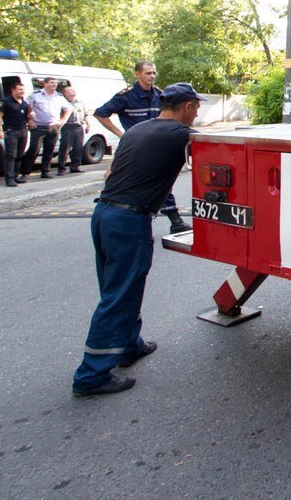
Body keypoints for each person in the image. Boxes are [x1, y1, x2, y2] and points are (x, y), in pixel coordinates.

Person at [71, 82, 204, 397]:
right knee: (119, 295)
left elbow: (109, 174)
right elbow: (222, 148)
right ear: (187, 107)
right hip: (129, 220)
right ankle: (91, 375)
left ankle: (129, 346)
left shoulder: (137, 130)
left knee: (117, 287)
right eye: (196, 107)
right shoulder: (179, 135)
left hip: (104, 215)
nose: (197, 113)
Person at [94, 60, 191, 233]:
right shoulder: (126, 96)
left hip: (157, 146)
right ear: (137, 74)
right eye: (148, 73)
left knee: (157, 181)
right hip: (133, 145)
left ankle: (173, 220)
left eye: (154, 73)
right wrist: (120, 133)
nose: (152, 76)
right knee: (114, 176)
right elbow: (100, 113)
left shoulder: (160, 96)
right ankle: (117, 211)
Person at [21, 77, 71, 179]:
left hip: (53, 126)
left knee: (49, 151)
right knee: (34, 150)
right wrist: (29, 121)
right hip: (38, 126)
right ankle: (25, 173)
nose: (54, 85)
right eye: (52, 82)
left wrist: (62, 121)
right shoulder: (36, 95)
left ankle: (45, 172)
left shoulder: (59, 96)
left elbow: (68, 109)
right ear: (45, 84)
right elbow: (26, 107)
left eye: (56, 83)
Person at [0, 81, 33, 187]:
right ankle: (9, 178)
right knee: (10, 155)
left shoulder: (25, 103)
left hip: (23, 130)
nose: (22, 91)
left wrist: (31, 117)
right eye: (20, 89)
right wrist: (0, 131)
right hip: (11, 131)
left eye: (23, 89)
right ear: (13, 90)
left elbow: (27, 117)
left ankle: (15, 175)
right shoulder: (5, 102)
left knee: (19, 155)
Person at [57, 85, 89, 175]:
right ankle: (61, 168)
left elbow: (85, 114)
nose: (73, 91)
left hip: (79, 127)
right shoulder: (63, 103)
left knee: (78, 148)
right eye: (70, 90)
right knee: (65, 148)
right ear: (65, 93)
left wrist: (88, 124)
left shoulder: (79, 102)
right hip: (68, 127)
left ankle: (75, 166)